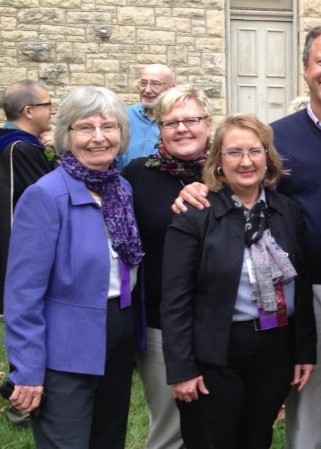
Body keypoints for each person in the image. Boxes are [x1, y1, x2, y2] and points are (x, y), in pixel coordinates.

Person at [172, 24, 321, 449]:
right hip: (300, 290)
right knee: (304, 405)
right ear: (305, 68)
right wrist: (194, 187)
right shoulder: (278, 135)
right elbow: (240, 183)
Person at [161, 114, 316, 449]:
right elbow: (175, 298)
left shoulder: (286, 211)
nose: (246, 161)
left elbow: (301, 288)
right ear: (218, 161)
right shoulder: (195, 214)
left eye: (255, 151)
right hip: (214, 354)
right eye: (234, 152)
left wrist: (304, 351)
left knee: (256, 439)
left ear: (268, 158)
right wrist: (181, 369)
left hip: (273, 351)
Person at [4, 86, 143, 449]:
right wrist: (28, 370)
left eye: (108, 126)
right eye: (85, 127)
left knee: (108, 440)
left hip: (117, 333)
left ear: (122, 134)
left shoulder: (120, 189)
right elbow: (23, 293)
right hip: (65, 346)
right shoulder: (45, 196)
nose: (99, 137)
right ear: (66, 135)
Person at [121, 86, 212, 449]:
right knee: (172, 425)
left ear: (208, 123)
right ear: (159, 128)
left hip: (223, 323)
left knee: (219, 421)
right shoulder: (137, 175)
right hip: (161, 324)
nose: (182, 129)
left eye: (191, 119)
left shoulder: (230, 173)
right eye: (171, 122)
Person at [0, 80, 57, 315]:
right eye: (48, 105)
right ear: (29, 111)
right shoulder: (19, 149)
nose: (52, 110)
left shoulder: (17, 144)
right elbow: (49, 195)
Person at [117, 64, 175, 168]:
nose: (147, 90)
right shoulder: (123, 116)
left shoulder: (179, 121)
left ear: (171, 88)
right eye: (143, 83)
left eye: (155, 84)